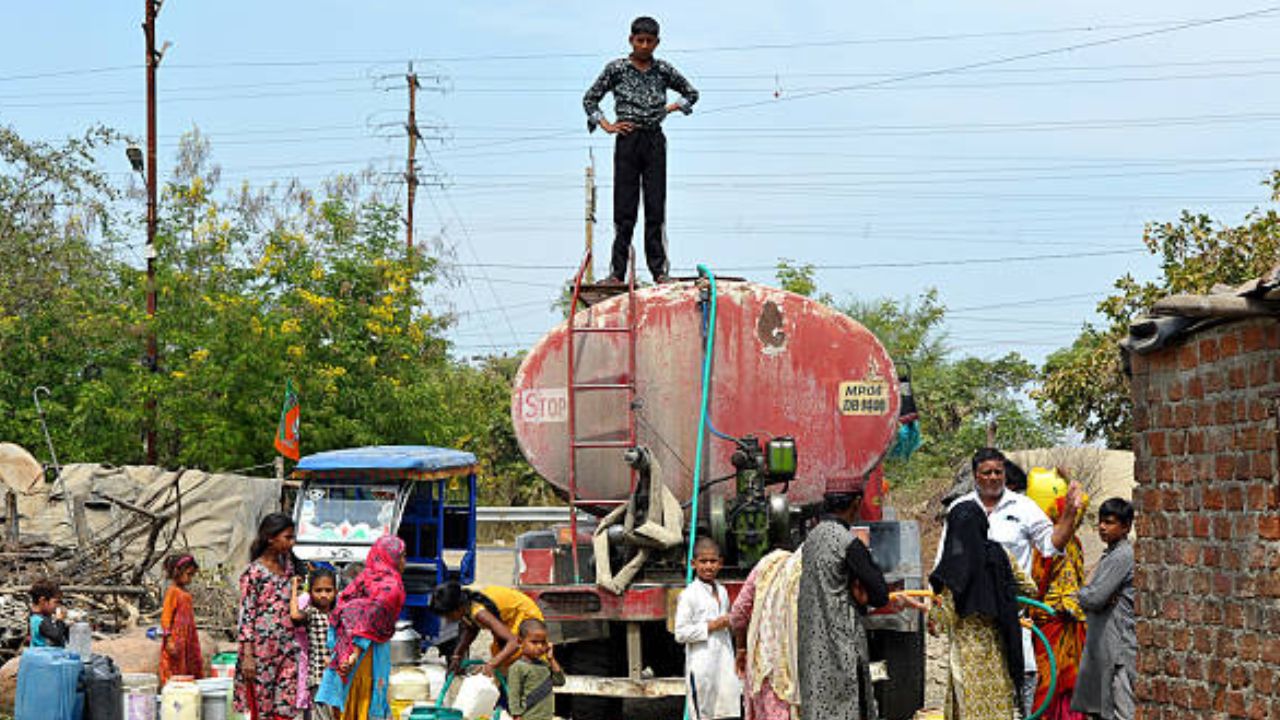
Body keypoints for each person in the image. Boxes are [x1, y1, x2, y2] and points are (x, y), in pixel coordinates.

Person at [937, 448, 1085, 716]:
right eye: (987, 472)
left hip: (1013, 619)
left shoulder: (1024, 508)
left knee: (1019, 682)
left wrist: (1070, 515)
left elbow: (1051, 545)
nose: (993, 478)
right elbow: (945, 564)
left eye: (998, 472)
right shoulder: (961, 509)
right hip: (969, 623)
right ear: (975, 476)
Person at [582, 15, 699, 285]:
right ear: (631, 40)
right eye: (640, 40)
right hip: (628, 139)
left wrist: (671, 107)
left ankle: (659, 271)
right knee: (625, 209)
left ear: (657, 42)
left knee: (655, 207)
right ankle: (617, 273)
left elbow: (691, 93)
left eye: (650, 41)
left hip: (654, 141)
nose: (644, 46)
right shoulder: (617, 69)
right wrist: (606, 125)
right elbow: (590, 99)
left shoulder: (663, 70)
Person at [929, 501, 1036, 720]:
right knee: (997, 707)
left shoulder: (953, 567)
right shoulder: (1000, 554)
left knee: (969, 709)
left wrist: (929, 614)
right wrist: (1005, 603)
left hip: (966, 656)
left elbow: (941, 620)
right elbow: (1029, 589)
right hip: (997, 649)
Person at [797, 476, 891, 720]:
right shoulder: (848, 543)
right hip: (841, 641)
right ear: (857, 502)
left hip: (813, 642)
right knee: (847, 702)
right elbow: (880, 594)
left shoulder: (812, 538)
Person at [315, 536, 407, 720]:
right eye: (402, 556)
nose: (405, 561)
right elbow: (369, 621)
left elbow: (343, 610)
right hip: (366, 655)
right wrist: (355, 651)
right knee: (365, 701)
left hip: (345, 653)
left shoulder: (364, 578)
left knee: (349, 702)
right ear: (390, 558)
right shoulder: (391, 586)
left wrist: (336, 650)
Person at [1028, 482, 1088, 720]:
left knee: (1071, 681)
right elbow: (1036, 582)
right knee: (1048, 681)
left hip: (1072, 623)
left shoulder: (1077, 544)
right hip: (1048, 620)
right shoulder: (1045, 545)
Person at [1071, 499, 1135, 720]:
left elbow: (1094, 597)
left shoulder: (1122, 556)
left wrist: (1081, 594)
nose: (1102, 527)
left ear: (1126, 527)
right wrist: (1087, 593)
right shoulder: (1109, 554)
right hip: (1102, 643)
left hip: (1117, 645)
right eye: (1101, 522)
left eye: (1109, 523)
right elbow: (1092, 592)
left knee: (1121, 709)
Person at [235, 512, 303, 720]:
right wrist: (248, 657)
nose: (292, 543)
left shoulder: (289, 567)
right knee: (262, 707)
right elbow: (246, 615)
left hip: (288, 647)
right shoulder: (254, 573)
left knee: (285, 704)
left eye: (293, 537)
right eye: (287, 537)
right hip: (260, 651)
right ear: (270, 538)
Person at [730, 548, 802, 720]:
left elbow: (738, 613)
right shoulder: (804, 569)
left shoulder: (764, 569)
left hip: (764, 664)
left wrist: (741, 648)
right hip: (799, 668)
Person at [674, 537, 741, 720]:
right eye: (703, 561)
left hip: (724, 664)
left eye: (713, 561)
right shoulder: (689, 595)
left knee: (727, 712)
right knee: (703, 714)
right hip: (702, 666)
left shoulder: (722, 591)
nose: (708, 566)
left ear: (720, 563)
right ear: (693, 564)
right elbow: (680, 633)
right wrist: (712, 626)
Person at [429, 582, 542, 675]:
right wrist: (457, 655)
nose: (447, 620)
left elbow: (514, 642)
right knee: (499, 655)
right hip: (507, 620)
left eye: (448, 616)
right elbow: (471, 628)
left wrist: (491, 665)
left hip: (525, 617)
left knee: (513, 658)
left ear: (458, 608)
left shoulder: (479, 613)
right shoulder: (467, 606)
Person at [292, 567, 338, 720]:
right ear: (310, 592)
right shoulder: (312, 613)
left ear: (335, 591)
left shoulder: (338, 614)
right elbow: (294, 615)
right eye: (318, 590)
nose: (324, 595)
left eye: (328, 590)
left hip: (338, 676)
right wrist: (294, 589)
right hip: (319, 676)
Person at [505, 618, 566, 720]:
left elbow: (560, 681)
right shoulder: (518, 667)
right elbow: (514, 695)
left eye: (543, 642)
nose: (539, 646)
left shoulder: (544, 665)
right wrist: (516, 715)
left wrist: (551, 659)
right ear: (520, 642)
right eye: (534, 642)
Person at [159, 553, 203, 686]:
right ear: (177, 572)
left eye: (192, 575)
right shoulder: (172, 592)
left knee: (189, 670)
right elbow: (166, 618)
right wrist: (168, 640)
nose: (190, 579)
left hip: (187, 639)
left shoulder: (184, 593)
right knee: (175, 671)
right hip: (176, 640)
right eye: (189, 574)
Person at [28, 577, 68, 648]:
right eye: (56, 602)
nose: (58, 606)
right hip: (43, 656)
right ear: (43, 601)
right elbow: (56, 636)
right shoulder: (40, 621)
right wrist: (60, 620)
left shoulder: (36, 616)